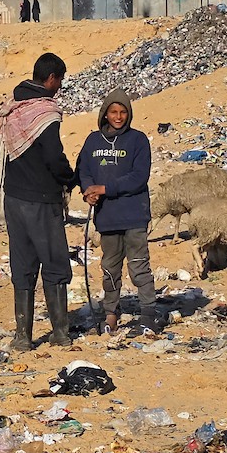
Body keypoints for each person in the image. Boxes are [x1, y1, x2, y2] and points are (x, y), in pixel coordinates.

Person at [0, 52, 77, 350]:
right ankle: (60, 333)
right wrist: (69, 178)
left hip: (14, 199)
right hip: (42, 200)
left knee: (23, 264)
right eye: (60, 80)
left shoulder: (11, 107)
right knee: (54, 263)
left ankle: (23, 337)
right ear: (51, 78)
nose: (59, 87)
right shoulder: (44, 113)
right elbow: (53, 156)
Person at [77, 88, 158, 334]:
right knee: (110, 268)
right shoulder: (93, 141)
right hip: (107, 217)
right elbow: (83, 170)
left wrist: (104, 188)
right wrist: (88, 191)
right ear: (105, 113)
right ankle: (110, 314)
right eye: (113, 112)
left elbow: (139, 177)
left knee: (139, 266)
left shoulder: (138, 140)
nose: (118, 117)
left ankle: (148, 316)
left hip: (134, 215)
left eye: (123, 112)